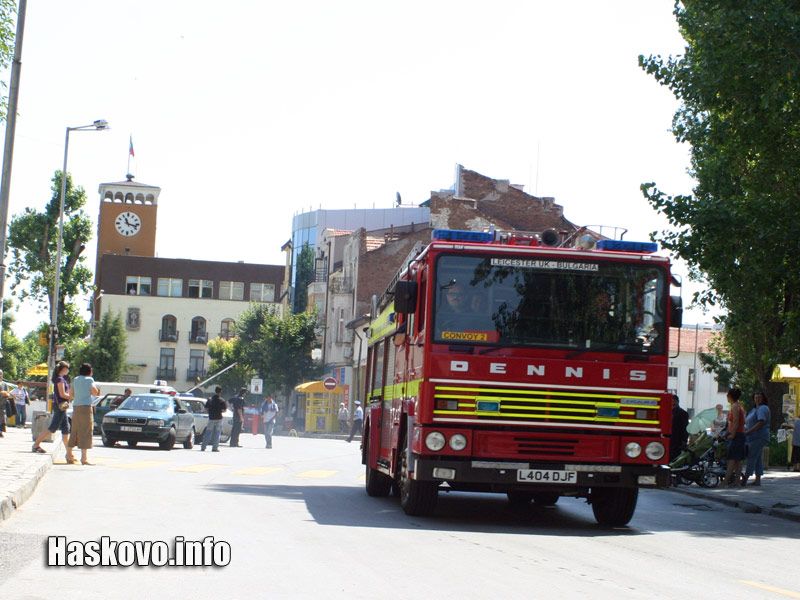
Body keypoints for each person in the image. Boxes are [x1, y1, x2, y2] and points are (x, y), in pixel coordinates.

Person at [32, 361, 76, 464]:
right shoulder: (60, 380)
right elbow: (62, 394)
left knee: (66, 429)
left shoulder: (60, 379)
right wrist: (72, 396)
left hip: (62, 406)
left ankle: (69, 452)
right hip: (60, 406)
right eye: (67, 368)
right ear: (63, 369)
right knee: (53, 428)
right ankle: (36, 444)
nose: (68, 370)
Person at [68, 363, 100, 465]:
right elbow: (95, 393)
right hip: (86, 407)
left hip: (76, 407)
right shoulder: (90, 380)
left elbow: (71, 394)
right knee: (86, 431)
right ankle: (84, 458)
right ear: (89, 371)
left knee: (75, 430)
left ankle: (69, 454)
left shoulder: (76, 379)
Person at [742, 391, 771, 486]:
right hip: (753, 437)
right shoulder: (755, 409)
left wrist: (748, 432)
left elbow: (761, 422)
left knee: (751, 456)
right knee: (757, 458)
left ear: (763, 399)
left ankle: (745, 478)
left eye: (759, 398)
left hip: (758, 436)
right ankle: (757, 479)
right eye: (756, 398)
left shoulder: (762, 408)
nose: (757, 399)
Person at [723, 388, 746, 487]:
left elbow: (736, 421)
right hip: (739, 433)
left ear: (730, 396)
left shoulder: (735, 406)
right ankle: (737, 481)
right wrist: (725, 434)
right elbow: (732, 423)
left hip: (737, 434)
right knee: (738, 459)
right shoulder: (738, 406)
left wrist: (732, 434)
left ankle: (726, 481)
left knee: (731, 459)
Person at [201, 386, 227, 452]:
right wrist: (219, 410)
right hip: (219, 418)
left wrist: (211, 410)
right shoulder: (222, 400)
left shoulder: (210, 399)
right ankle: (215, 448)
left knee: (208, 433)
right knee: (217, 433)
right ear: (220, 392)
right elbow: (224, 410)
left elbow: (206, 408)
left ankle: (203, 447)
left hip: (211, 418)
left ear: (215, 391)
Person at [670, 394, 690, 461]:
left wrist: (684, 440)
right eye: (671, 401)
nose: (673, 403)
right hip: (668, 438)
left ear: (678, 402)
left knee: (675, 457)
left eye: (674, 401)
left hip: (677, 440)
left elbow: (685, 427)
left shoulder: (683, 413)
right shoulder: (666, 411)